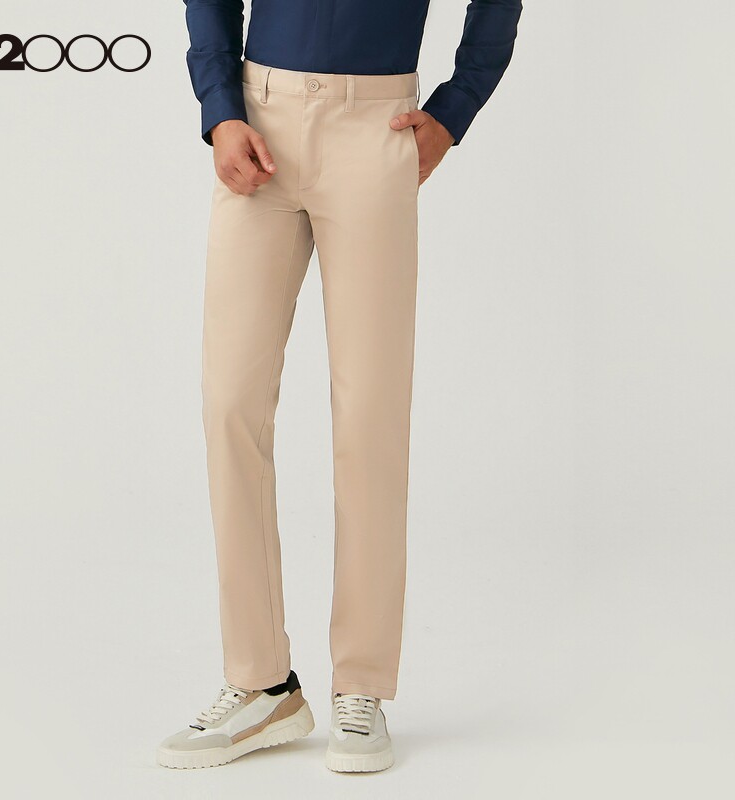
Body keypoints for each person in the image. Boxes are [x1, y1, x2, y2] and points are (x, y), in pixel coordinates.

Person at [158, 0, 523, 773]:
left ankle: (361, 685)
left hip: (375, 126)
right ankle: (261, 683)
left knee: (370, 413)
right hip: (260, 120)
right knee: (230, 404)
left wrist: (455, 107)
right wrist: (220, 109)